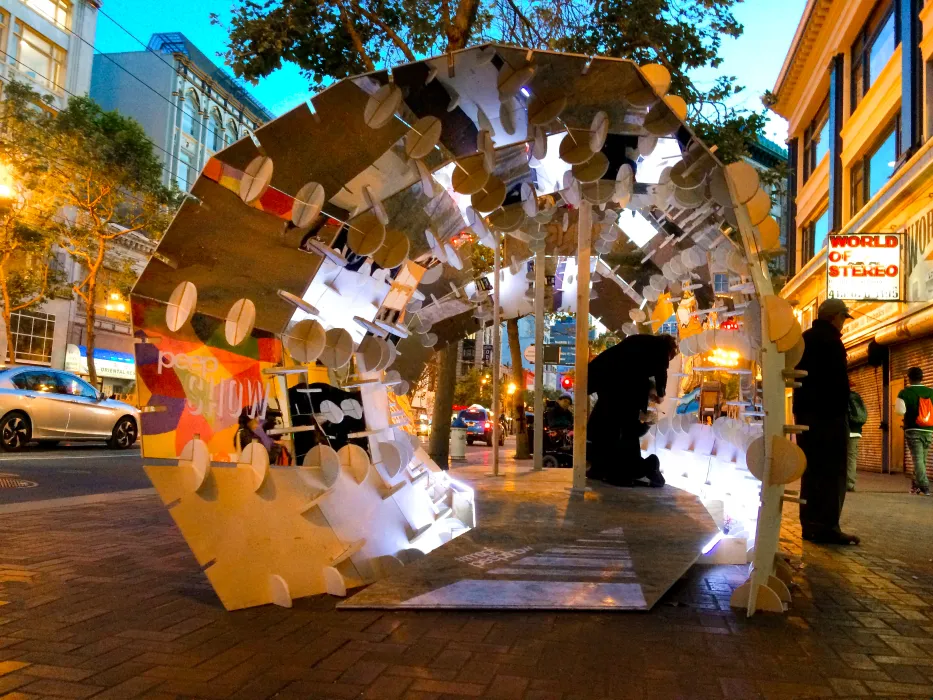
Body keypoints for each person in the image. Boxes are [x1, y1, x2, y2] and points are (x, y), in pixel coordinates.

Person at [794, 299, 859, 545]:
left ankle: (810, 525)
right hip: (829, 417)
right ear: (835, 317)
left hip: (806, 415)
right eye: (843, 318)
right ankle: (827, 528)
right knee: (832, 473)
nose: (843, 323)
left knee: (811, 472)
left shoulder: (804, 338)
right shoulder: (831, 341)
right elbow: (836, 382)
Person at [586, 333, 678, 487]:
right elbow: (661, 372)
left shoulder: (637, 346)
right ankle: (628, 471)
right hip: (620, 387)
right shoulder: (659, 347)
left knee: (607, 424)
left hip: (605, 381)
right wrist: (661, 394)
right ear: (669, 350)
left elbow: (631, 372)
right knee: (626, 429)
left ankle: (600, 468)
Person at [895, 366, 933, 496]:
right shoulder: (931, 392)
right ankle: (916, 485)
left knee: (917, 459)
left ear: (909, 378)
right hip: (928, 431)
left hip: (913, 429)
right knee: (922, 459)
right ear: (922, 378)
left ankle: (924, 485)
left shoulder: (905, 393)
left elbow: (899, 411)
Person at [847, 389, 867, 492]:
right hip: (855, 431)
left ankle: (839, 483)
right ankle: (850, 484)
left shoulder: (839, 396)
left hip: (843, 430)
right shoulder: (856, 396)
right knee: (851, 458)